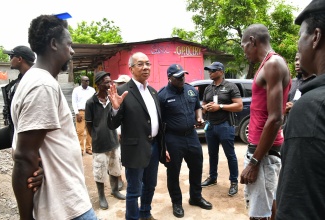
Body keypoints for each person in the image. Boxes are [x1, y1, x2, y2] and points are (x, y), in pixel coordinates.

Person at [11, 14, 97, 219]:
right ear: (53, 44)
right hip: (67, 208)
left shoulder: (35, 80)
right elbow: (24, 156)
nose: (73, 50)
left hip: (65, 202)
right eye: (69, 44)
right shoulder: (43, 85)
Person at [276, 1, 325, 219]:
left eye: (300, 37)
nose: (298, 45)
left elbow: (298, 207)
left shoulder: (312, 108)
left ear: (315, 37)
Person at [107, 52, 168, 220]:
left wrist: (164, 147)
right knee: (134, 191)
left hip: (154, 147)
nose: (145, 67)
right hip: (135, 149)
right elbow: (112, 124)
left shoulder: (153, 92)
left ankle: (145, 213)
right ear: (131, 69)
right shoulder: (121, 91)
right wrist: (115, 109)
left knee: (150, 185)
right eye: (140, 64)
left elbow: (157, 122)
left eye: (148, 64)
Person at [239, 24, 291, 220]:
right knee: (268, 205)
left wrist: (254, 162)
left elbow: (276, 117)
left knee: (259, 213)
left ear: (253, 41)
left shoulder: (273, 64)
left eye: (244, 46)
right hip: (261, 147)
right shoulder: (267, 64)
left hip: (264, 151)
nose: (244, 52)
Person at [158, 64, 212, 218]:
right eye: (178, 77)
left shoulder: (190, 90)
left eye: (183, 75)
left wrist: (199, 117)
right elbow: (159, 122)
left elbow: (197, 107)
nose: (182, 78)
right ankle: (176, 202)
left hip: (192, 136)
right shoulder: (162, 96)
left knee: (197, 167)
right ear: (169, 78)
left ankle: (195, 197)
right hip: (173, 138)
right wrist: (164, 146)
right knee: (173, 172)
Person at [200, 61, 243, 197]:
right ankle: (212, 178)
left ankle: (234, 182)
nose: (210, 72)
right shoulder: (208, 88)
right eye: (209, 70)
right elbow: (203, 104)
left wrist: (221, 107)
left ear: (221, 71)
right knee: (212, 154)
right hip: (210, 126)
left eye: (212, 70)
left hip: (225, 126)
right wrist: (205, 108)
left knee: (230, 155)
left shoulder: (230, 86)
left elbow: (239, 106)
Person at [85, 71, 126, 210]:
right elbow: (89, 125)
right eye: (106, 82)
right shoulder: (91, 102)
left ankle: (115, 191)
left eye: (110, 81)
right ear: (98, 84)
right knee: (100, 172)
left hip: (113, 141)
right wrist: (96, 137)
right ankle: (102, 196)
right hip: (99, 144)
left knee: (115, 169)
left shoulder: (112, 99)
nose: (109, 84)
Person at [0, 46, 35, 149]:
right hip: (14, 128)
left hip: (27, 132)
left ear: (19, 59)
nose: (10, 60)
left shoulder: (34, 80)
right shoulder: (18, 81)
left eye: (11, 56)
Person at [113, 74, 132, 190]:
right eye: (118, 84)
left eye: (121, 84)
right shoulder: (114, 98)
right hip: (115, 135)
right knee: (116, 158)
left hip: (129, 135)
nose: (118, 86)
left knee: (129, 159)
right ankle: (119, 179)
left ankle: (131, 180)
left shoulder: (132, 99)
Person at [72, 75, 96, 155]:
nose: (87, 82)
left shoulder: (92, 90)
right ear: (81, 81)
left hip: (90, 111)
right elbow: (74, 102)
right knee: (80, 131)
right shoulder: (76, 90)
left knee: (90, 131)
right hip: (80, 112)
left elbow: (94, 101)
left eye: (88, 80)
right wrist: (77, 113)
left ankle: (88, 148)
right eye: (85, 81)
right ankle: (81, 149)